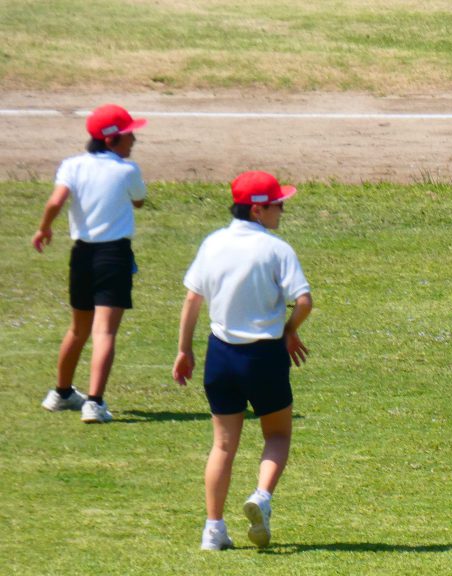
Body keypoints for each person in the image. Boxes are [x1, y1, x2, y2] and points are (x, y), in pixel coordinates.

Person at [172, 171, 313, 550]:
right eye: (277, 204)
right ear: (257, 210)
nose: (282, 210)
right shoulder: (276, 249)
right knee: (278, 435)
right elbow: (303, 301)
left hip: (221, 356)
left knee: (222, 446)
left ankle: (213, 529)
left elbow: (192, 298)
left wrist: (184, 350)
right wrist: (289, 330)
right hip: (264, 356)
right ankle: (262, 497)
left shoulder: (213, 243)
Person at [34, 104, 148, 423]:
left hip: (81, 255)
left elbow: (56, 200)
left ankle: (61, 393)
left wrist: (44, 228)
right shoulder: (127, 170)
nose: (134, 140)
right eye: (129, 135)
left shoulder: (72, 165)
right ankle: (94, 403)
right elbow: (139, 200)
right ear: (112, 140)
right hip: (114, 256)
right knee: (105, 332)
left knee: (78, 328)